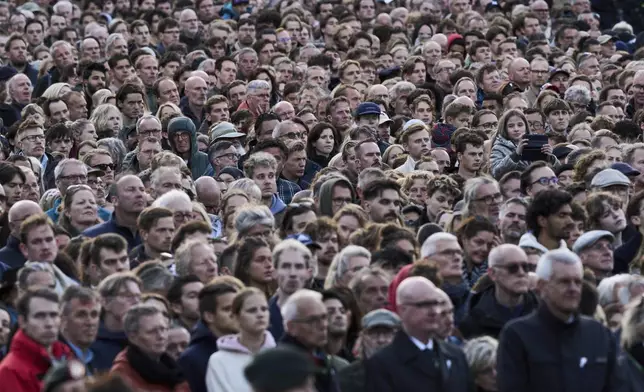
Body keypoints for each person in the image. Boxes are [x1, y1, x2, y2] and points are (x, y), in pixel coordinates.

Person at [497, 248, 625, 391]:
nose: (573, 289)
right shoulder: (517, 335)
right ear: (542, 286)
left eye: (577, 282)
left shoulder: (599, 334)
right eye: (564, 282)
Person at [364, 277, 472, 391]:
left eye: (436, 304)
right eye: (424, 305)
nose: (434, 311)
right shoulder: (383, 363)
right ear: (402, 310)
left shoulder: (456, 355)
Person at [459, 244, 539, 339]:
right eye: (512, 268)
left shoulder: (544, 312)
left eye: (525, 267)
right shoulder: (473, 318)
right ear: (493, 273)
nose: (521, 273)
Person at [0, 289, 72, 392]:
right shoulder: (9, 371)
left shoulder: (67, 356)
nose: (49, 323)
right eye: (40, 316)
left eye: (54, 315)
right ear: (23, 321)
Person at [205, 288, 276, 392]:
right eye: (252, 310)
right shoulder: (218, 361)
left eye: (264, 309)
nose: (260, 314)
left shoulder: (281, 356)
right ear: (236, 317)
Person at [279, 289, 347, 392]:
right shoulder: (282, 365)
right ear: (291, 327)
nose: (323, 325)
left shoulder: (320, 356)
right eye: (312, 320)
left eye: (324, 317)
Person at [110, 304, 190, 391]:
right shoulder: (122, 373)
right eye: (152, 331)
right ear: (133, 337)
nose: (161, 336)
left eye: (163, 329)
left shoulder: (172, 365)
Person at [179, 280, 240, 392]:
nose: (235, 314)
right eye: (227, 309)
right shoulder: (191, 359)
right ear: (209, 316)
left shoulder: (248, 347)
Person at [338, 309, 401, 392]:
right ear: (362, 337)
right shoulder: (346, 377)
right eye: (374, 333)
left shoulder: (411, 374)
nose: (381, 340)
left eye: (387, 333)